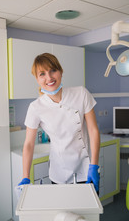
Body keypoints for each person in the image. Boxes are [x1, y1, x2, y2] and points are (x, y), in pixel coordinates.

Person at [18, 53, 100, 192]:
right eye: (42, 74)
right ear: (37, 79)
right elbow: (29, 144)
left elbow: (93, 131)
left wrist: (94, 165)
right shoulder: (36, 107)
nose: (49, 78)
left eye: (53, 71)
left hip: (87, 168)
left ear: (61, 71)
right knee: (64, 213)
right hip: (60, 172)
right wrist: (25, 177)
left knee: (88, 213)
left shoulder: (81, 93)